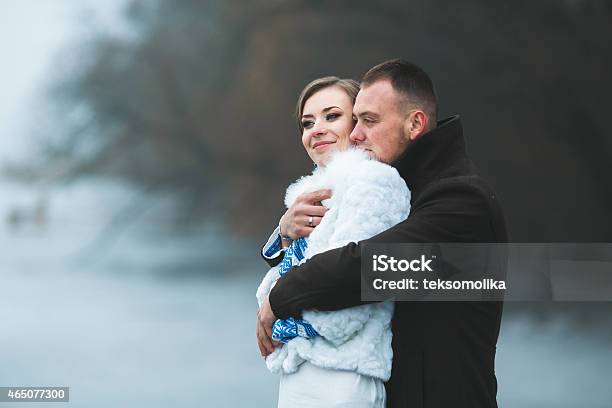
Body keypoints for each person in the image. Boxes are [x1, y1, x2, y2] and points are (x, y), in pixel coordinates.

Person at [257, 59, 508, 408]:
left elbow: (370, 268)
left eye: (369, 121)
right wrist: (284, 234)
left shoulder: (463, 201)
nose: (356, 134)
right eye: (355, 120)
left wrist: (279, 297)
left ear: (415, 124)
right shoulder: (401, 183)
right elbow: (331, 252)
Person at [256, 76, 411, 407]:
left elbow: (347, 303)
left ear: (358, 124)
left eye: (331, 116)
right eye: (307, 122)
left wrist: (283, 316)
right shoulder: (312, 199)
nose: (316, 129)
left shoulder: (374, 183)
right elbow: (268, 292)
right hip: (303, 369)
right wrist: (285, 237)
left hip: (344, 375)